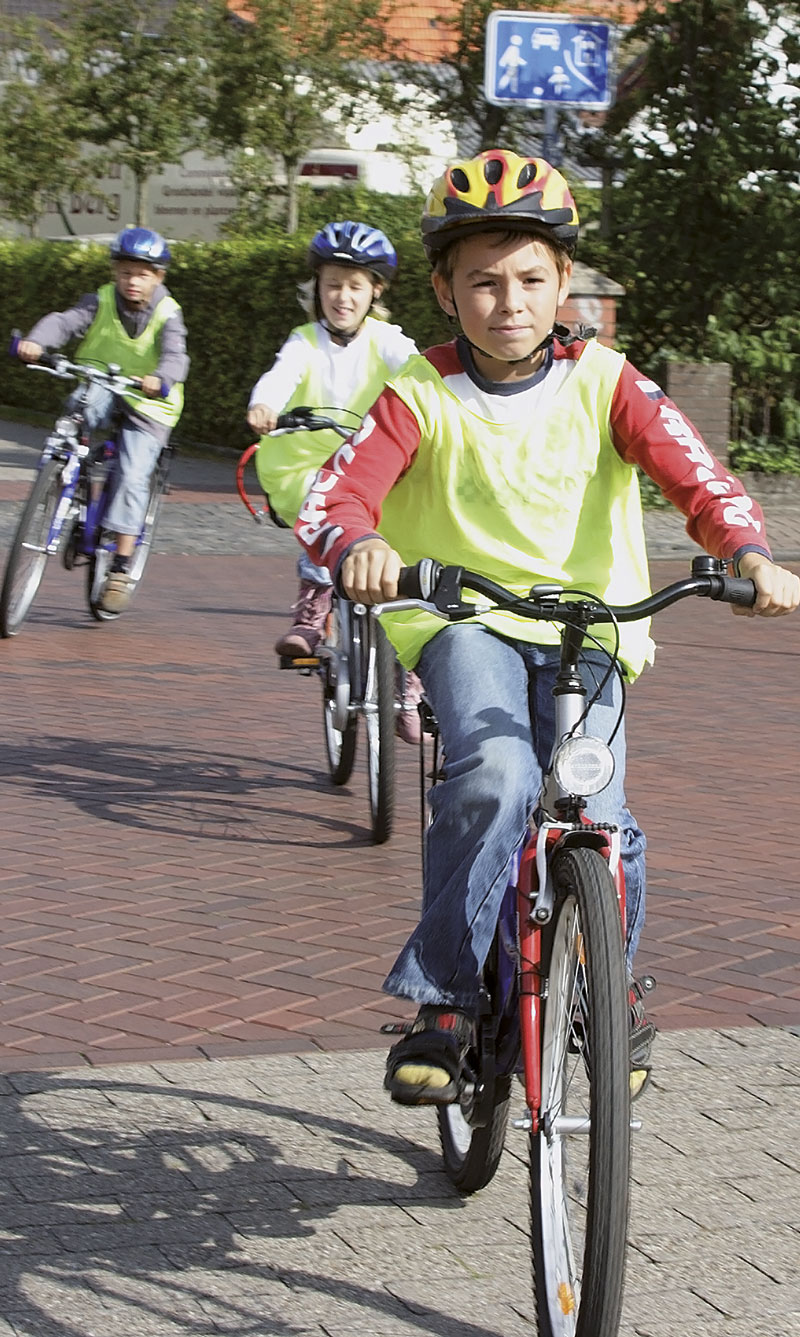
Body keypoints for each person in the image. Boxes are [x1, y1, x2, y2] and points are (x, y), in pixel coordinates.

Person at [294, 149, 800, 1105]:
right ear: (444, 291)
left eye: (530, 279)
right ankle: (446, 1000)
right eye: (483, 282)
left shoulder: (607, 381)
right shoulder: (419, 391)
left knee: (598, 812)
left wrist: (748, 553)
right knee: (494, 777)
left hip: (593, 626)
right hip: (465, 618)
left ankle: (605, 993)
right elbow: (335, 495)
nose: (509, 302)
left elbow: (699, 478)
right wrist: (357, 542)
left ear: (563, 281)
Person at [247, 219, 422, 742]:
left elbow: (418, 372)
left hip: (374, 465)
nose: (342, 297)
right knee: (319, 506)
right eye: (332, 285)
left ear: (376, 291)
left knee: (413, 545)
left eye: (355, 286)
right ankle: (312, 612)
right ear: (317, 289)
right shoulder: (305, 341)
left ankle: (411, 681)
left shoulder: (387, 340)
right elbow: (280, 374)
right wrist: (265, 404)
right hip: (308, 464)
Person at [16, 226, 189, 613]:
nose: (132, 281)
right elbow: (66, 321)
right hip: (103, 384)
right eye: (125, 272)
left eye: (142, 274)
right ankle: (66, 466)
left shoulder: (168, 313)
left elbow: (176, 355)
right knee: (81, 406)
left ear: (158, 277)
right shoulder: (101, 300)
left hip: (149, 403)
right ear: (114, 272)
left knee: (132, 474)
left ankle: (121, 568)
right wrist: (37, 341)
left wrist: (161, 378)